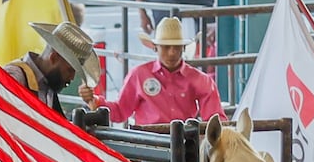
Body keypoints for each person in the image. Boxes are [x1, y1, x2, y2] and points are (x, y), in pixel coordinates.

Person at [80, 17, 221, 127]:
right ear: (155, 48)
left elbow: (215, 118)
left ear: (183, 49)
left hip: (179, 142)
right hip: (151, 142)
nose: (172, 53)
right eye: (166, 47)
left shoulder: (200, 80)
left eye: (176, 47)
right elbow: (120, 111)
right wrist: (95, 101)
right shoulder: (139, 75)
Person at [3, 21, 100, 117]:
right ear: (54, 58)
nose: (72, 77)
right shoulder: (16, 76)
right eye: (70, 70)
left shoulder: (48, 85)